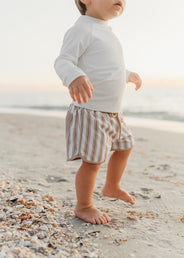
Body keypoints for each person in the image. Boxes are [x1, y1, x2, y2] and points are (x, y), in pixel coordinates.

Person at [54, 0, 142, 225]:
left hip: (113, 113)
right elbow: (63, 60)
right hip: (91, 112)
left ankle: (112, 186)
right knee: (92, 162)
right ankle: (83, 205)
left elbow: (107, 67)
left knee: (125, 146)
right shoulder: (81, 29)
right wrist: (73, 75)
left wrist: (127, 74)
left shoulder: (108, 32)